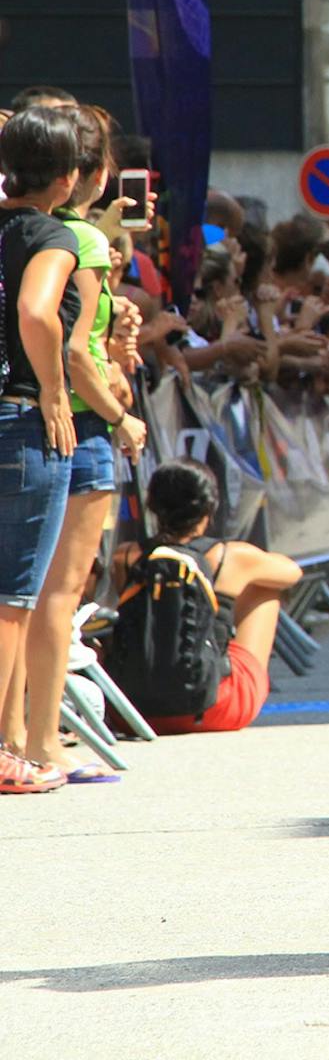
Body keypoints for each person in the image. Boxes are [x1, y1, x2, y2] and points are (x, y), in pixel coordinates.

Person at [11, 102, 147, 783]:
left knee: (28, 593)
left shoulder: (26, 229)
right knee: (54, 592)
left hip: (53, 413)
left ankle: (24, 737)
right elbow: (73, 349)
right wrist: (115, 414)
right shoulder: (78, 243)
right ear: (83, 176)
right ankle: (40, 741)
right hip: (77, 425)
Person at [0, 107, 82, 795]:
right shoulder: (49, 235)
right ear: (67, 178)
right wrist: (53, 390)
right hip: (19, 419)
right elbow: (36, 311)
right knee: (13, 595)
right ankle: (4, 751)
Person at [107, 459, 300, 734]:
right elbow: (292, 572)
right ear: (210, 507)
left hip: (131, 711)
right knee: (265, 585)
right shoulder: (231, 556)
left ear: (152, 507)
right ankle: (228, 664)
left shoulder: (125, 556)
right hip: (215, 707)